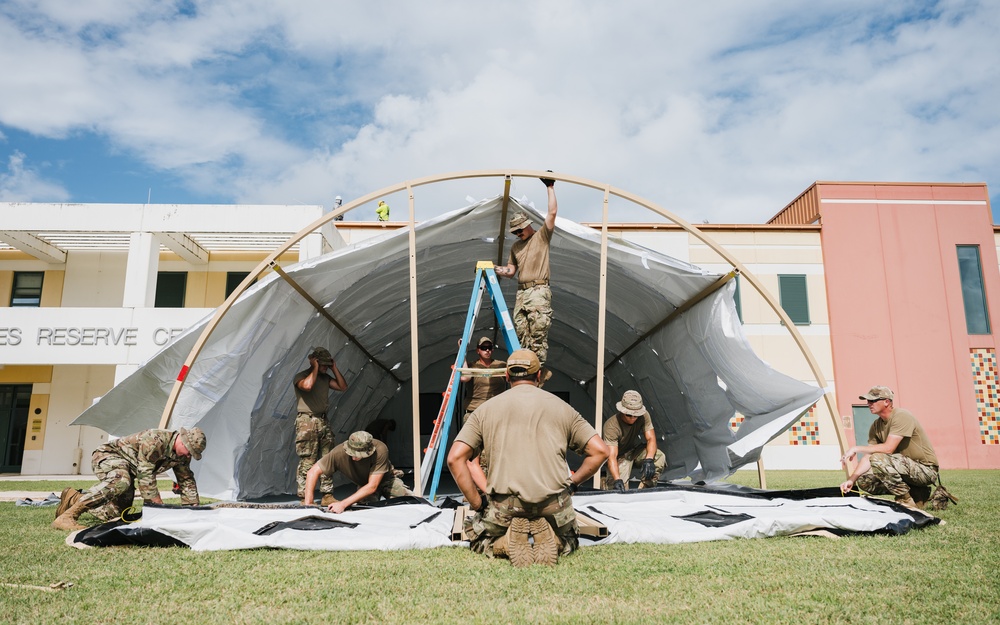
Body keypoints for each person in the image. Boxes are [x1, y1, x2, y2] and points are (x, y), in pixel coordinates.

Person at [447, 349, 609, 567]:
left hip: (506, 507)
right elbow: (601, 451)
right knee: (570, 538)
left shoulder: (484, 411)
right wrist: (573, 484)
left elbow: (455, 459)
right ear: (539, 375)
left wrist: (479, 504)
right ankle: (555, 539)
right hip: (554, 505)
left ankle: (504, 541)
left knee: (478, 537)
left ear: (506, 376)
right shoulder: (563, 408)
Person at [52, 427, 207, 531]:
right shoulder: (155, 440)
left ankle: (74, 498)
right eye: (189, 451)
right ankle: (67, 517)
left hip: (130, 468)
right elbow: (145, 475)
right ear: (182, 441)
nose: (189, 456)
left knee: (117, 514)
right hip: (108, 456)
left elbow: (186, 481)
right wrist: (156, 506)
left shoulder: (181, 456)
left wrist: (192, 510)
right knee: (122, 480)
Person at [839, 386, 939, 509]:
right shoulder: (876, 426)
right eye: (868, 401)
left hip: (926, 470)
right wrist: (852, 480)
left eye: (873, 400)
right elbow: (868, 457)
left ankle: (905, 500)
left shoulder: (902, 416)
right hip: (905, 469)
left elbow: (888, 449)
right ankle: (916, 493)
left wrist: (856, 448)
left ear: (887, 402)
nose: (869, 404)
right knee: (864, 480)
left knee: (878, 459)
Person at [495, 174, 557, 369]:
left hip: (538, 291)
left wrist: (550, 187)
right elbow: (511, 271)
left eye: (520, 229)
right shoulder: (516, 247)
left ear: (529, 225)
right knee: (521, 333)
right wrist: (495, 269)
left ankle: (537, 373)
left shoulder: (541, 237)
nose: (519, 233)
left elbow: (552, 213)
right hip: (522, 293)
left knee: (538, 332)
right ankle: (525, 369)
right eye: (515, 232)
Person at [303, 431, 413, 513]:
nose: (355, 457)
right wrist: (309, 504)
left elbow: (373, 486)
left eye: (359, 454)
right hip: (365, 486)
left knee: (411, 502)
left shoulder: (380, 449)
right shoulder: (338, 453)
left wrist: (342, 504)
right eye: (352, 453)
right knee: (364, 510)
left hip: (387, 480)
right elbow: (312, 472)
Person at [293, 346, 348, 505]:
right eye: (322, 364)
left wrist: (334, 368)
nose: (325, 367)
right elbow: (308, 386)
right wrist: (316, 368)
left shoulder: (325, 378)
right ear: (314, 362)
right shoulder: (301, 376)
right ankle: (304, 497)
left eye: (326, 364)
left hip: (323, 421)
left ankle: (327, 495)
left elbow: (343, 387)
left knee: (327, 459)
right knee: (307, 460)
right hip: (307, 422)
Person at [459, 336, 507, 491]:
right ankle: (478, 491)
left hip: (496, 414)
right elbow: (465, 377)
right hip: (475, 412)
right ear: (478, 350)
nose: (487, 351)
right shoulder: (473, 365)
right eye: (484, 348)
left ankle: (495, 487)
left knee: (496, 450)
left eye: (489, 348)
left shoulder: (501, 365)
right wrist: (461, 352)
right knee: (473, 453)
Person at [601, 390, 667, 491]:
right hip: (618, 457)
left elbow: (651, 439)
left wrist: (649, 459)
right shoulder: (611, 426)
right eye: (629, 415)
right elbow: (612, 456)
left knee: (658, 457)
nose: (633, 418)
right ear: (622, 411)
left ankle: (645, 491)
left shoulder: (644, 416)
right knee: (618, 491)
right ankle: (606, 481)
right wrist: (617, 479)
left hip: (634, 451)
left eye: (636, 415)